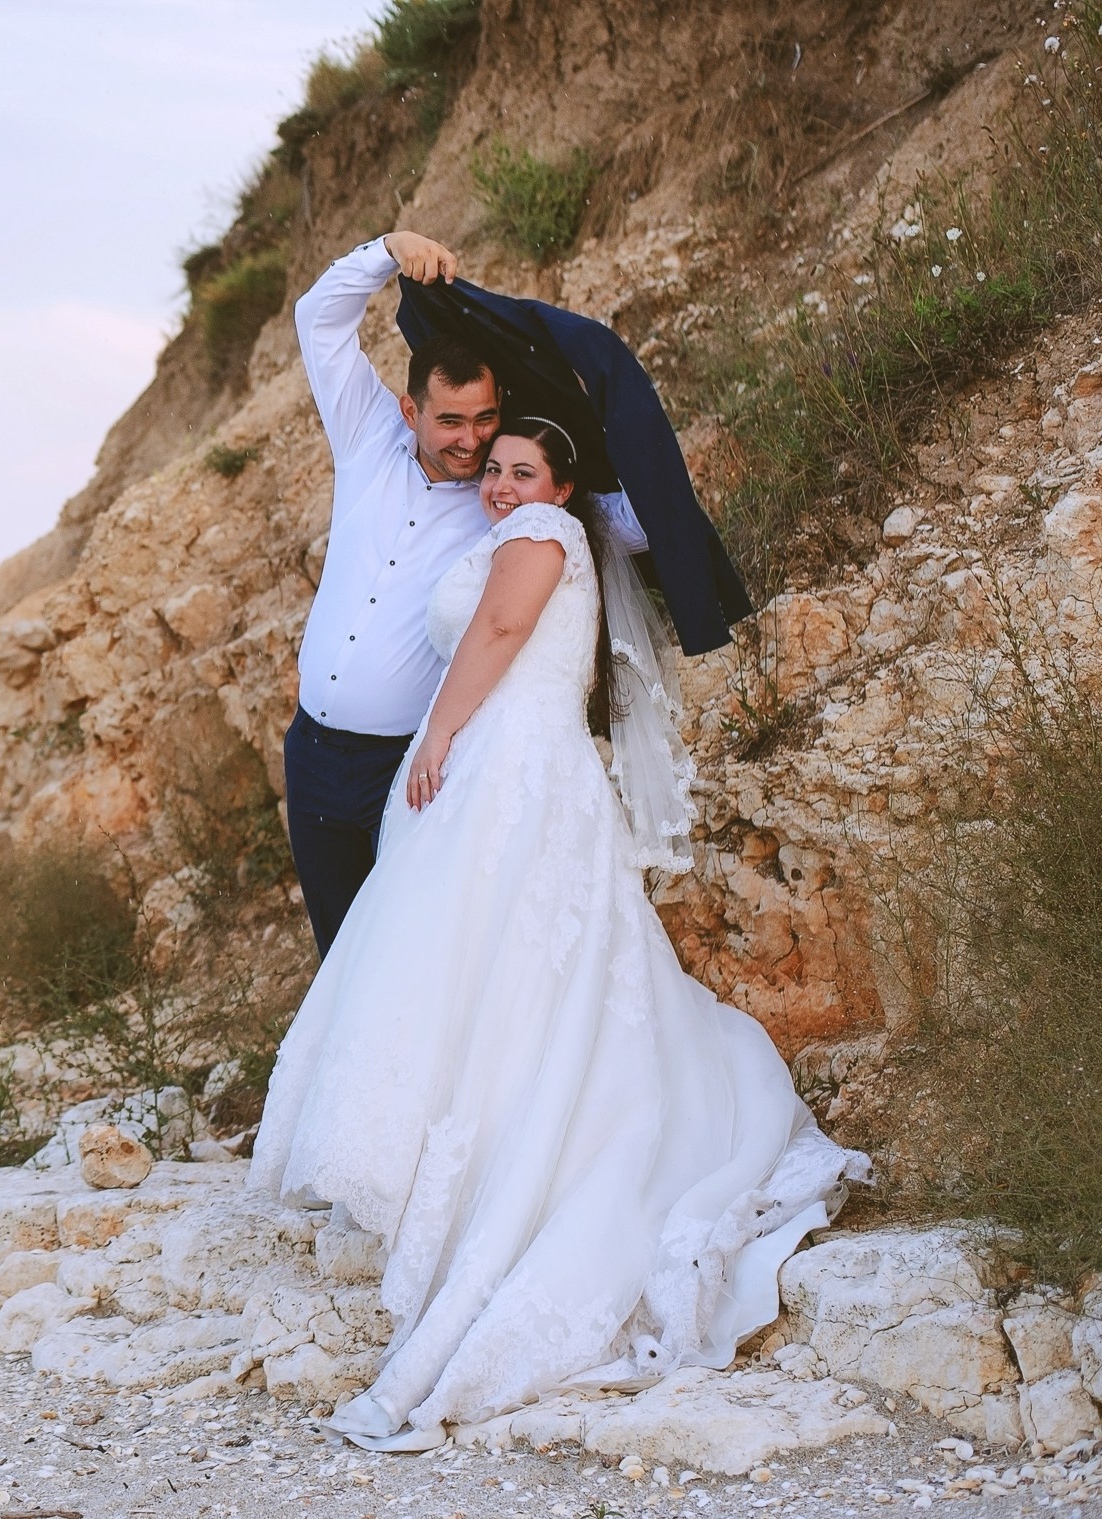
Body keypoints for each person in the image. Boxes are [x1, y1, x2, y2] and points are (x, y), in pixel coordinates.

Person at [248, 411, 863, 1452]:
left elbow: (493, 636)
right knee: (494, 969)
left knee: (510, 968)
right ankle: (448, 1163)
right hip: (508, 766)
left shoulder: (542, 538)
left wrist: (436, 734)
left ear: (562, 484)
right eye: (491, 468)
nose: (497, 484)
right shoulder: (526, 534)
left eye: (521, 469)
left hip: (512, 773)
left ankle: (494, 1178)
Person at [284, 229, 502, 957]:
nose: (469, 440)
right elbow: (317, 318)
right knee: (338, 953)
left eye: (483, 419)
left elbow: (605, 521)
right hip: (310, 756)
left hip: (404, 770)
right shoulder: (366, 436)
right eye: (449, 421)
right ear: (410, 413)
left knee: (406, 956)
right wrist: (387, 246)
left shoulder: (500, 499)